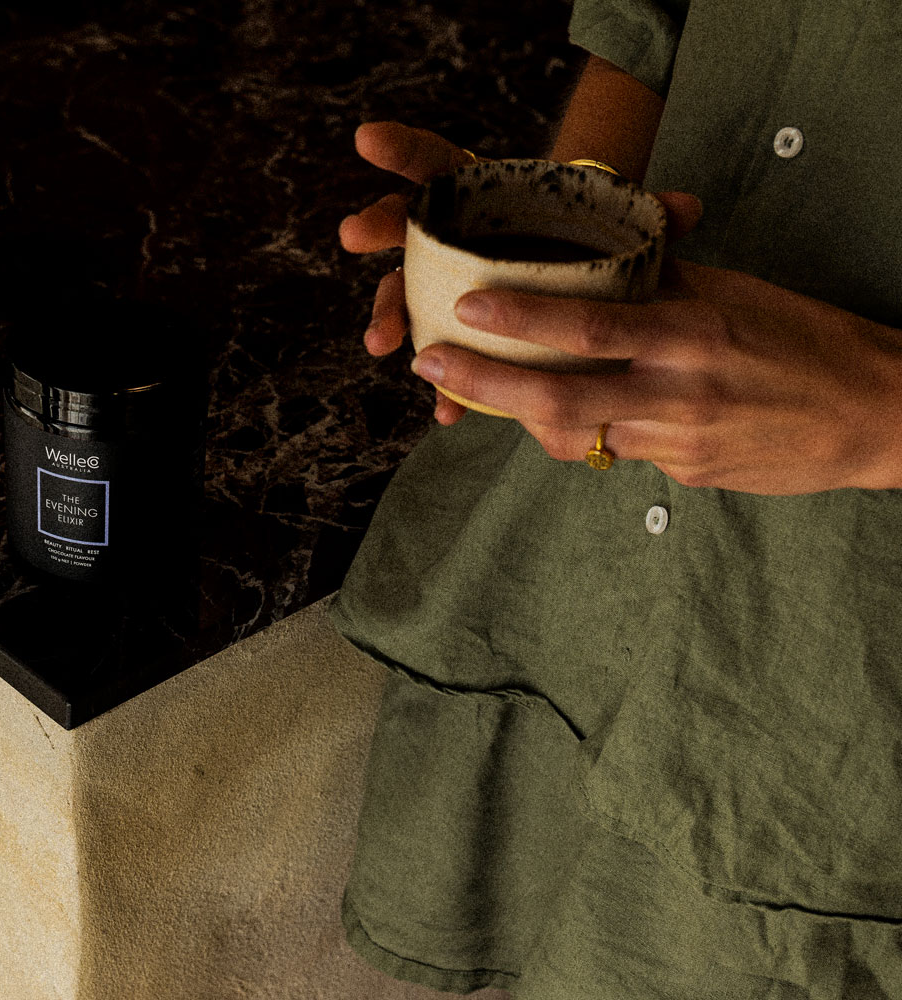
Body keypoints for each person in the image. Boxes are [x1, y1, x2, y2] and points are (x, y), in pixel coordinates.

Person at [330, 1, 902, 997]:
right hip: (582, 564)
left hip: (837, 685)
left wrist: (882, 414)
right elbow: (653, 20)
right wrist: (566, 222)